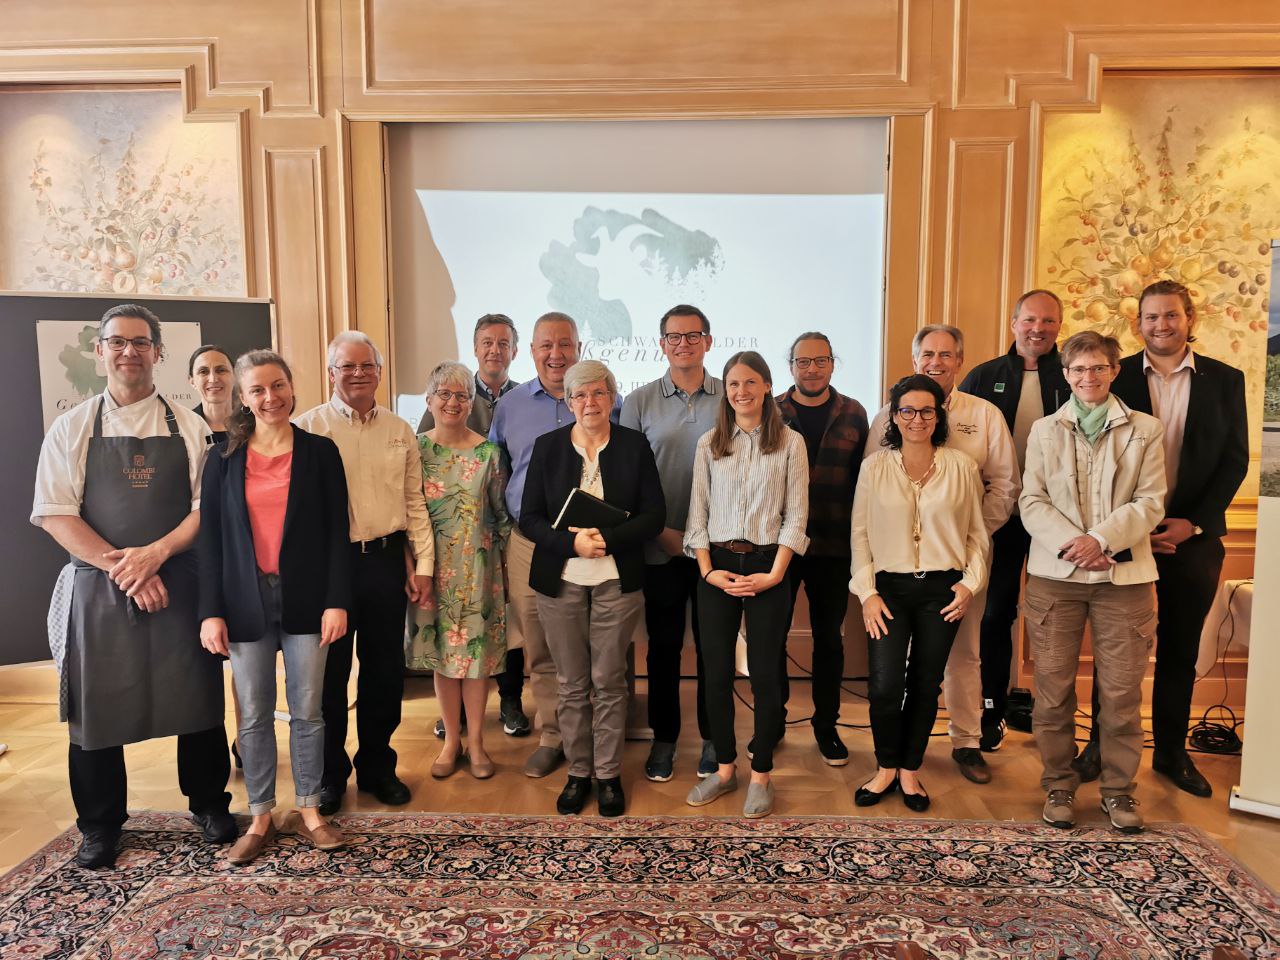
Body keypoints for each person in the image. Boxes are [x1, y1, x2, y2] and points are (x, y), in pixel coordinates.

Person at [32, 303, 233, 870]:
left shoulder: (189, 426)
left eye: (141, 342)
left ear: (158, 353)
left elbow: (206, 510)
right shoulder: (71, 428)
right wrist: (126, 569)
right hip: (99, 589)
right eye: (117, 342)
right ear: (99, 351)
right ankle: (99, 824)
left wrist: (156, 555)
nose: (129, 352)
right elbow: (55, 514)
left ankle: (209, 803)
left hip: (179, 583)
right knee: (96, 712)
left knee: (197, 700)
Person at [1073, 280, 1248, 798]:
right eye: (1151, 317)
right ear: (1139, 324)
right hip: (1124, 534)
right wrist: (1133, 528)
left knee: (1180, 647)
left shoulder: (1225, 380)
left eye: (1171, 315)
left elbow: (1234, 460)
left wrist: (1193, 523)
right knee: (1115, 648)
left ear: (1189, 318)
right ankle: (1100, 746)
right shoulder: (1114, 375)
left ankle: (1171, 753)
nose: (1161, 325)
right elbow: (1093, 459)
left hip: (1192, 538)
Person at [199, 350, 352, 863]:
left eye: (278, 385)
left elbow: (337, 533)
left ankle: (310, 811)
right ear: (244, 398)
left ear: (291, 386)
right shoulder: (222, 459)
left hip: (308, 599)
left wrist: (336, 601)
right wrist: (210, 611)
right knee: (254, 713)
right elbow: (211, 542)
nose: (271, 398)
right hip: (244, 601)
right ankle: (260, 815)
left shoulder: (321, 452)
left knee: (308, 710)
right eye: (258, 390)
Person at [1020, 331, 1165, 834]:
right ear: (1066, 374)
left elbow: (1150, 502)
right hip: (1055, 578)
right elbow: (1031, 500)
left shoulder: (1146, 429)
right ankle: (1059, 784)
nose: (1088, 377)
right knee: (1052, 691)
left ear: (1114, 370)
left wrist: (1100, 540)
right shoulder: (1043, 430)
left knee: (1121, 694)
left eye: (1098, 367)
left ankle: (1119, 791)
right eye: (1079, 369)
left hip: (1123, 578)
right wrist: (1076, 545)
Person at [866, 325, 1018, 784]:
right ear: (915, 360)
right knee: (895, 671)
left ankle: (966, 742)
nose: (936, 362)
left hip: (960, 563)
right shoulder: (887, 415)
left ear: (960, 362)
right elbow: (873, 488)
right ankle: (895, 756)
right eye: (928, 354)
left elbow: (1004, 484)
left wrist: (966, 538)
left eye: (946, 355)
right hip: (897, 569)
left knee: (964, 654)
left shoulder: (985, 415)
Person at [295, 331, 435, 815]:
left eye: (366, 365)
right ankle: (331, 775)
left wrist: (423, 564)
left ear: (379, 371)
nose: (357, 374)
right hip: (328, 569)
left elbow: (414, 501)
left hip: (385, 561)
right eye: (347, 366)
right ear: (331, 373)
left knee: (384, 672)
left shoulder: (399, 429)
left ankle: (378, 767)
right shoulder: (307, 428)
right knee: (330, 676)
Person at [520, 360, 665, 816]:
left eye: (598, 393)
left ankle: (608, 775)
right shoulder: (547, 448)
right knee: (571, 682)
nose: (589, 402)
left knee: (609, 681)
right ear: (568, 402)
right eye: (580, 395)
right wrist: (572, 544)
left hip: (615, 582)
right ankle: (578, 773)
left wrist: (607, 540)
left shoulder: (634, 446)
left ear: (612, 398)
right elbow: (529, 519)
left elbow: (654, 516)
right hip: (560, 580)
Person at [489, 312, 622, 778]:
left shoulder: (608, 400)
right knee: (542, 648)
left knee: (598, 649)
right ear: (531, 351)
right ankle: (554, 736)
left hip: (598, 546)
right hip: (533, 543)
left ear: (579, 348)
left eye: (565, 344)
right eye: (546, 345)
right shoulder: (510, 406)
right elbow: (499, 470)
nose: (556, 354)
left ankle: (598, 739)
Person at [852, 374, 987, 814]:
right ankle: (885, 766)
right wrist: (867, 593)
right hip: (887, 589)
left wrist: (969, 584)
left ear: (938, 415)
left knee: (926, 683)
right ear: (894, 416)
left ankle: (910, 769)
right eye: (907, 410)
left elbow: (976, 536)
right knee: (884, 684)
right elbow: (860, 536)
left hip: (942, 590)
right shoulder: (874, 467)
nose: (917, 419)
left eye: (926, 410)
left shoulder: (962, 467)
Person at [684, 351, 809, 819]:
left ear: (767, 386)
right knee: (715, 673)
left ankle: (761, 774)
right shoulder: (710, 442)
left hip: (767, 565)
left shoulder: (790, 443)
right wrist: (707, 571)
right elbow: (697, 515)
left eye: (751, 382)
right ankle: (724, 770)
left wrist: (775, 574)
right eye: (734, 384)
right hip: (716, 566)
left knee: (765, 672)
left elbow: (796, 516)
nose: (741, 392)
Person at [958, 290, 1070, 749]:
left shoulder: (1073, 375)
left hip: (1060, 521)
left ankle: (1056, 719)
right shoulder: (984, 377)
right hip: (998, 516)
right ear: (1014, 323)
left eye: (1047, 321)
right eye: (1029, 320)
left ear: (1058, 326)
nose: (1037, 329)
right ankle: (992, 709)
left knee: (1056, 618)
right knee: (995, 613)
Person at [620, 304, 721, 782]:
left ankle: (714, 739)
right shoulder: (639, 401)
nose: (684, 344)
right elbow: (628, 479)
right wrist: (662, 532)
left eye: (693, 335)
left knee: (713, 649)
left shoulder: (731, 395)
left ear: (708, 341)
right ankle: (664, 739)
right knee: (662, 650)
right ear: (661, 344)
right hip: (660, 546)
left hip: (717, 550)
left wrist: (707, 540)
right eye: (674, 337)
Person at [421, 315, 530, 740]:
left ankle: (510, 701)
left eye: (503, 343)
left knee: (500, 633)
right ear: (475, 347)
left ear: (514, 351)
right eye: (487, 342)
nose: (494, 350)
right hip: (440, 552)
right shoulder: (444, 404)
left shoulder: (523, 398)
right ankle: (455, 720)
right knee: (449, 643)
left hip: (493, 537)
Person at [407, 361, 513, 780]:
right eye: (445, 394)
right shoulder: (415, 450)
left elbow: (501, 517)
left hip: (479, 572)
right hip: (430, 573)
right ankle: (451, 740)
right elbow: (407, 515)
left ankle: (478, 743)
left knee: (476, 660)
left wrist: (503, 572)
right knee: (443, 659)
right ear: (429, 400)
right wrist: (412, 568)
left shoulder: (489, 453)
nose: (453, 402)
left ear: (472, 403)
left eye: (462, 395)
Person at [775, 331, 869, 767]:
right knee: (772, 637)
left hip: (834, 545)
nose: (812, 369)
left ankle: (826, 726)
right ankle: (773, 722)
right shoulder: (772, 411)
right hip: (780, 545)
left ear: (833, 363)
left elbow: (863, 480)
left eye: (820, 361)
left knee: (829, 639)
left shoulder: (854, 412)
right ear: (791, 366)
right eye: (803, 361)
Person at [189, 344, 235, 444]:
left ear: (234, 376)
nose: (213, 379)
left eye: (221, 370)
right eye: (203, 372)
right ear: (192, 381)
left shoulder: (255, 424)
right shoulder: (183, 427)